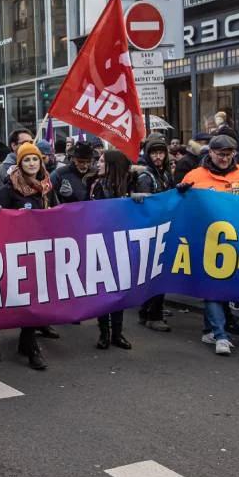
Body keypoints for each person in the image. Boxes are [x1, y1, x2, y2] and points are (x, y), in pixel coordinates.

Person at [181, 135, 239, 356]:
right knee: (213, 288)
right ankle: (221, 336)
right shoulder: (195, 176)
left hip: (238, 240)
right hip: (208, 242)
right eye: (221, 154)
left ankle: (211, 330)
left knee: (237, 286)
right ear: (210, 153)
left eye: (229, 154)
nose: (225, 158)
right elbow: (179, 202)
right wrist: (180, 192)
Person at [0, 142, 59, 370]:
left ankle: (26, 340)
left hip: (42, 252)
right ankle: (32, 349)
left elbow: (59, 215)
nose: (31, 164)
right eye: (27, 160)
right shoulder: (7, 189)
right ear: (19, 164)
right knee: (27, 301)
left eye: (35, 159)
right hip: (18, 254)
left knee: (37, 299)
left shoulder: (47, 187)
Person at [88, 149, 135, 351]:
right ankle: (104, 333)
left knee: (120, 290)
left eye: (101, 161)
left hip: (123, 244)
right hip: (101, 244)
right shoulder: (96, 186)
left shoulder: (131, 184)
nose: (97, 164)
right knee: (103, 290)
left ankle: (118, 333)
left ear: (112, 165)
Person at [134, 136, 174, 331]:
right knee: (157, 275)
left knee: (156, 275)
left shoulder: (164, 174)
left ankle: (147, 312)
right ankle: (153, 315)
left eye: (161, 153)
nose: (158, 157)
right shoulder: (146, 177)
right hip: (153, 231)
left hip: (163, 229)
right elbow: (148, 206)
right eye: (154, 153)